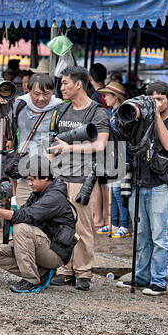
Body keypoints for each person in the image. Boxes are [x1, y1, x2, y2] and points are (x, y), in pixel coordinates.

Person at [117, 81, 168, 296]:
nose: (155, 103)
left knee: (159, 235)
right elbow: (124, 137)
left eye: (160, 99)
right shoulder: (142, 118)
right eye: (152, 99)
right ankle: (140, 277)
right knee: (141, 234)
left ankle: (158, 281)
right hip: (140, 180)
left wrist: (155, 115)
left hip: (161, 184)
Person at [48, 66, 110, 291]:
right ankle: (65, 269)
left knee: (82, 226)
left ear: (79, 84)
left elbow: (100, 144)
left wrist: (70, 149)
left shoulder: (97, 111)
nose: (61, 87)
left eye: (65, 83)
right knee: (61, 224)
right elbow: (55, 141)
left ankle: (83, 272)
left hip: (83, 178)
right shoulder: (62, 110)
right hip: (59, 176)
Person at [0, 155, 77, 293]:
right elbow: (20, 213)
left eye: (32, 180)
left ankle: (31, 281)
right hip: (42, 246)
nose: (29, 184)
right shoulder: (39, 192)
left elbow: (23, 217)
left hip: (55, 253)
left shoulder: (54, 197)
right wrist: (6, 205)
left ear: (45, 178)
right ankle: (41, 273)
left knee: (22, 228)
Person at [11, 73, 62, 207]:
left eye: (46, 94)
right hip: (26, 176)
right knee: (23, 215)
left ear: (53, 92)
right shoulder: (19, 105)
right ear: (28, 90)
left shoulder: (59, 109)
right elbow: (8, 132)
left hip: (48, 178)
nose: (41, 98)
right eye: (36, 94)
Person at [96, 81, 130, 238]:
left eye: (107, 94)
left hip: (122, 155)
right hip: (111, 154)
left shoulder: (123, 113)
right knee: (111, 189)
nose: (104, 97)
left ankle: (124, 225)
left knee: (118, 190)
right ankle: (114, 223)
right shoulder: (110, 112)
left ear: (115, 97)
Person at [88, 63, 109, 228]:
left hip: (98, 141)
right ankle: (105, 218)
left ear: (90, 78)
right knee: (104, 183)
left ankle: (98, 218)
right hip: (111, 142)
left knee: (98, 182)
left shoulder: (94, 97)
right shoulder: (110, 93)